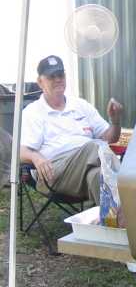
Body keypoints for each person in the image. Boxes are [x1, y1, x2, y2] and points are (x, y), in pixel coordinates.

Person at [20, 55, 123, 205]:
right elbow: (21, 152)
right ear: (40, 82)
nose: (57, 80)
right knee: (95, 146)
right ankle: (128, 179)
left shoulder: (80, 105)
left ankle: (116, 224)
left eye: (60, 75)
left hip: (83, 168)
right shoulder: (33, 112)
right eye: (51, 76)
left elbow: (110, 138)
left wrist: (115, 121)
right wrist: (37, 158)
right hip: (53, 173)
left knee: (97, 176)